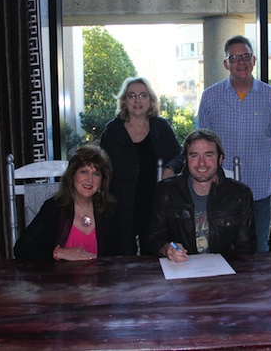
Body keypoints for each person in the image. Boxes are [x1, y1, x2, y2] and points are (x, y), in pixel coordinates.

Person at [198, 35, 271, 253]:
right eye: (234, 58)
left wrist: (264, 162)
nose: (241, 62)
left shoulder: (270, 96)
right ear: (226, 63)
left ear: (253, 60)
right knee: (220, 245)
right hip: (221, 187)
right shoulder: (210, 96)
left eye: (245, 56)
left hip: (258, 185)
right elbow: (203, 141)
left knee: (259, 246)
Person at [100, 77, 183, 256]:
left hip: (155, 204)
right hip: (120, 206)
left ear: (150, 100)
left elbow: (180, 154)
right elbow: (101, 166)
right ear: (124, 101)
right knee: (122, 259)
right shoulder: (113, 131)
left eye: (143, 95)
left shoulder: (161, 126)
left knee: (155, 257)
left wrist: (170, 168)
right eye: (132, 96)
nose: (137, 100)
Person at [146, 129, 256, 262]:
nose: (201, 163)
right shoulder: (166, 191)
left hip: (225, 273)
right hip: (179, 270)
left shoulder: (241, 195)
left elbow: (246, 248)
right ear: (186, 159)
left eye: (208, 155)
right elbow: (153, 237)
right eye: (194, 156)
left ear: (220, 159)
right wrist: (166, 249)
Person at [14, 145, 118, 261]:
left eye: (96, 174)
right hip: (61, 278)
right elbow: (22, 249)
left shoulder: (109, 210)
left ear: (102, 182)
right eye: (84, 171)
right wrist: (58, 253)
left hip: (101, 278)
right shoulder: (54, 208)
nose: (90, 179)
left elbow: (119, 255)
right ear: (72, 176)